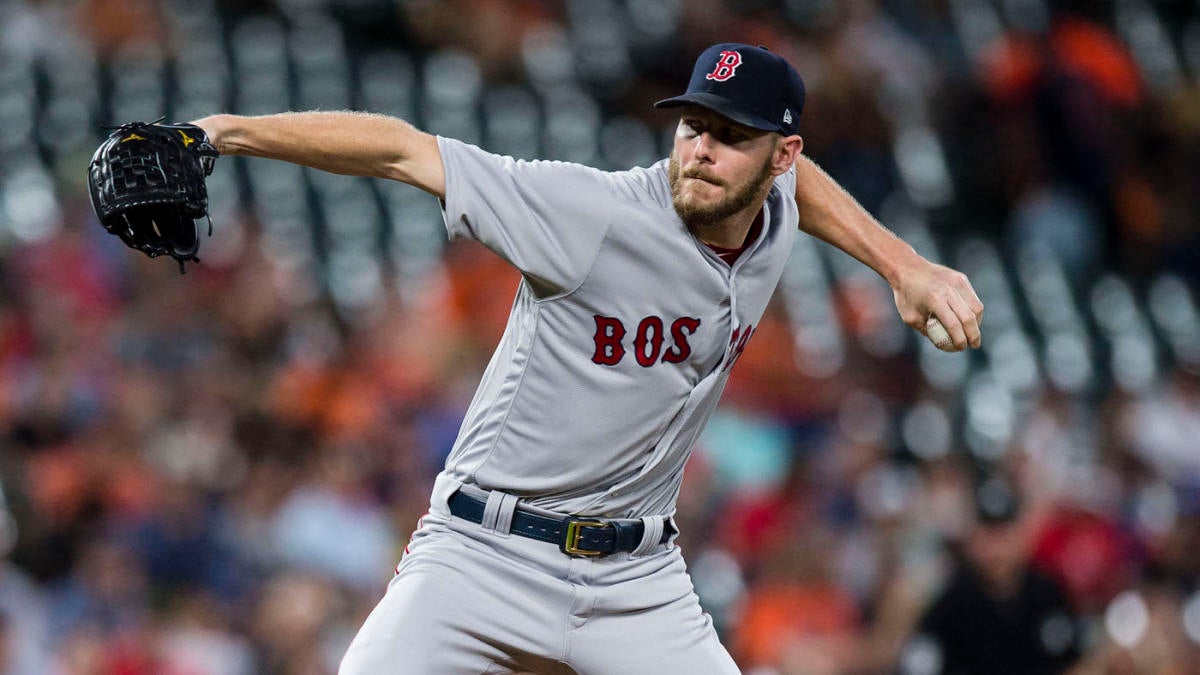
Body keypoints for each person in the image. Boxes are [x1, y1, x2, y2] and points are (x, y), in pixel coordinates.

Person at [193, 43, 983, 674]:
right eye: (693, 127)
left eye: (732, 135)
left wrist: (901, 265)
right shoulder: (590, 213)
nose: (703, 151)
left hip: (636, 581)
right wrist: (221, 132)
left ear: (778, 156)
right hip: (483, 555)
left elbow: (802, 186)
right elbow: (404, 152)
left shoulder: (773, 212)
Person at [899, 476, 1081, 675]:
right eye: (987, 535)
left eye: (1003, 535)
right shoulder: (952, 601)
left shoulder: (1047, 593)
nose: (996, 550)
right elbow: (919, 662)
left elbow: (1070, 661)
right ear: (972, 540)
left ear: (1020, 535)